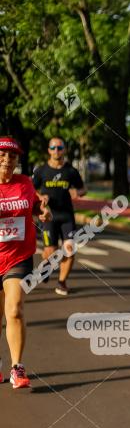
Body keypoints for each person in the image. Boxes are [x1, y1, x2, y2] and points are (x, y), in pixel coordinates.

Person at [0, 136, 51, 388]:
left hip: (17, 257)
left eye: (12, 156)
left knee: (15, 309)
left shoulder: (25, 184)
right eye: (2, 155)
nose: (7, 160)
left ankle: (17, 368)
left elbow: (35, 206)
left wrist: (42, 211)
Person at [31, 137, 86, 295]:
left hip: (67, 216)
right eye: (53, 147)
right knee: (51, 251)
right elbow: (31, 189)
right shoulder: (41, 171)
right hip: (49, 217)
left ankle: (62, 282)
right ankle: (46, 267)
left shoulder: (70, 171)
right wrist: (40, 197)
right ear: (49, 150)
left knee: (70, 250)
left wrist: (78, 192)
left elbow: (83, 188)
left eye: (59, 147)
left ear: (64, 150)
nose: (56, 150)